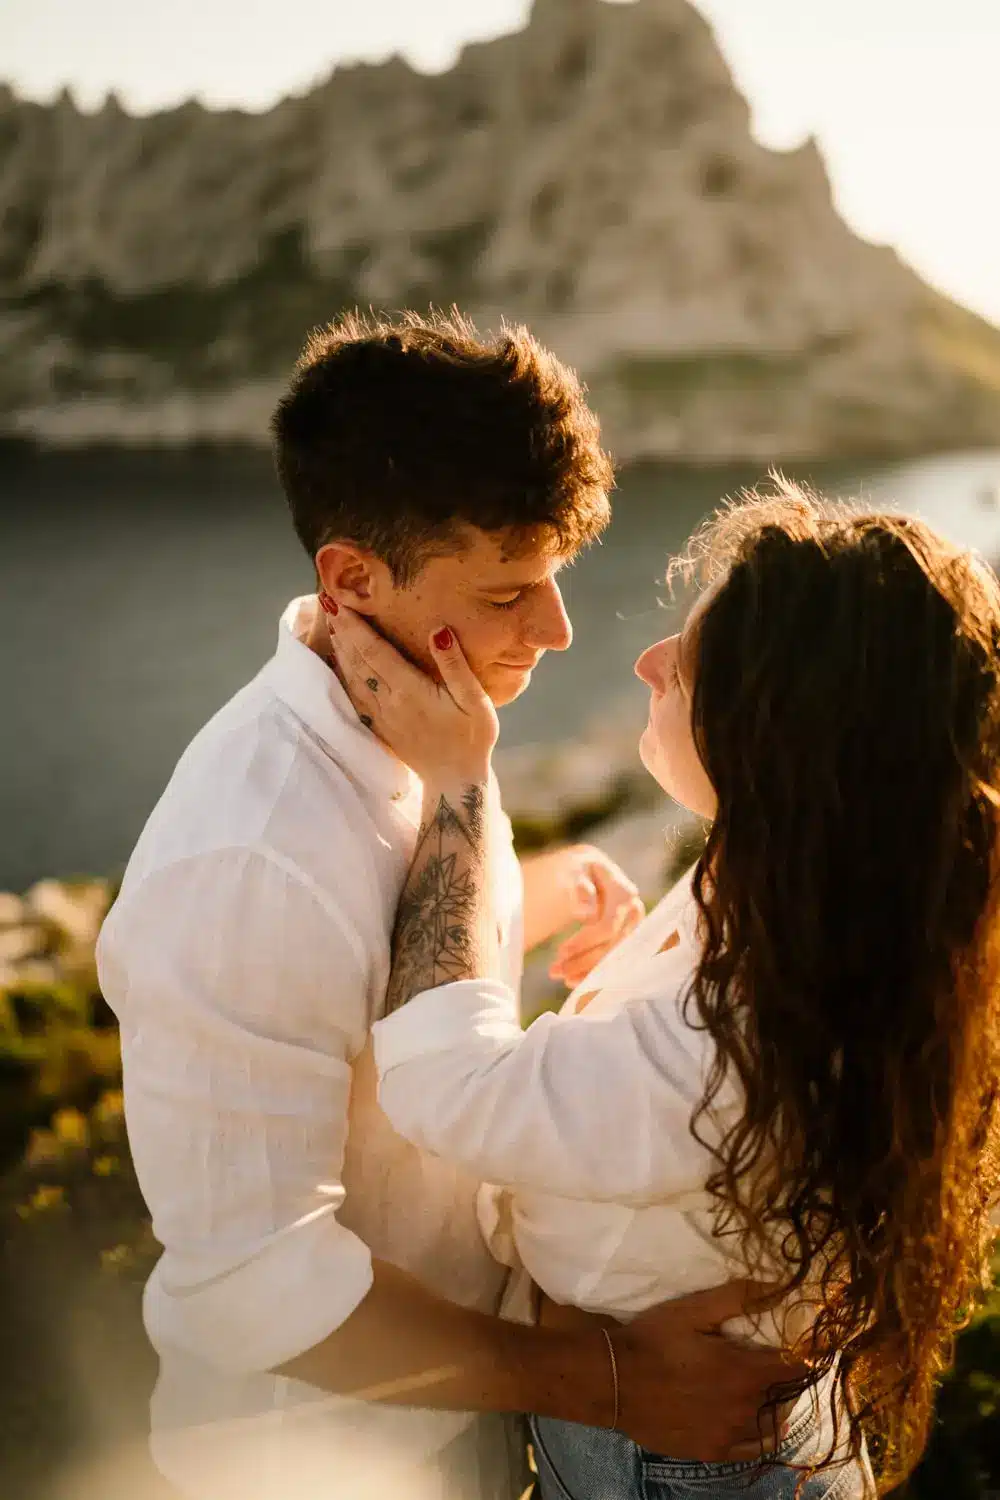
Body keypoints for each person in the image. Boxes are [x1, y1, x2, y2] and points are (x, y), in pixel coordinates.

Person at [96, 311, 797, 1500]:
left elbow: (354, 968)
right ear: (352, 579)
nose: (560, 631)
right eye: (511, 591)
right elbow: (256, 1286)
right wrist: (612, 1380)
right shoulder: (248, 859)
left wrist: (516, 907)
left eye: (555, 579)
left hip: (474, 1408)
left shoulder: (426, 713)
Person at [328, 481, 1000, 1499]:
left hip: (675, 1469)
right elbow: (688, 1080)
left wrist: (461, 780)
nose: (647, 663)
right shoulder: (821, 903)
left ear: (778, 737)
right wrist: (636, 972)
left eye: (687, 667)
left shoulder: (738, 1035)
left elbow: (444, 1088)